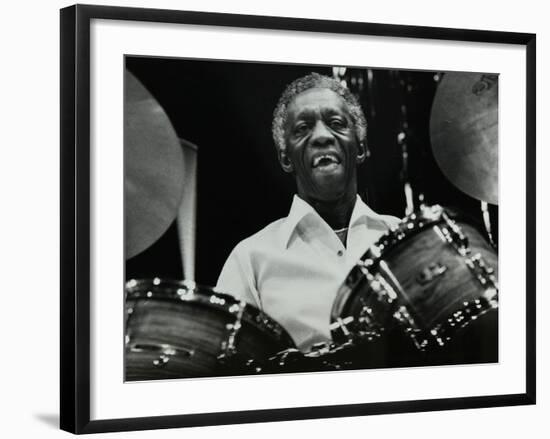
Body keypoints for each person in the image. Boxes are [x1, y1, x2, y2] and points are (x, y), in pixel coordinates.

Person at [216, 72, 399, 352]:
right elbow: (225, 362)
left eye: (336, 123)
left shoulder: (401, 238)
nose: (322, 136)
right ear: (285, 158)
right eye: (302, 129)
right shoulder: (250, 258)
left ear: (360, 148)